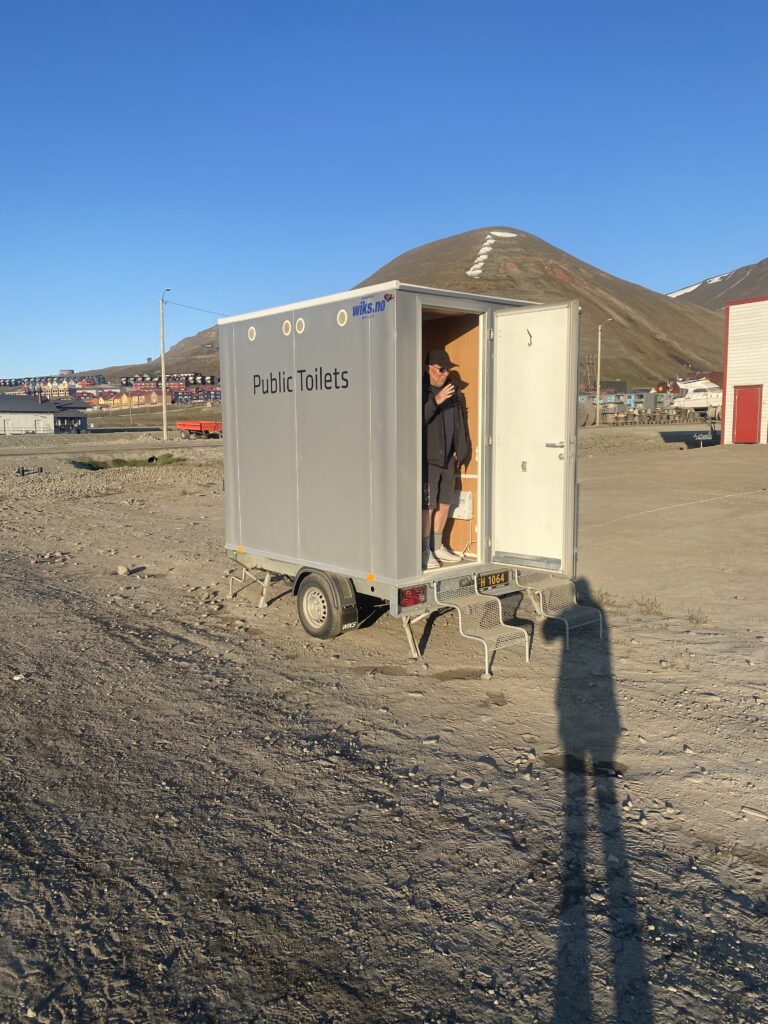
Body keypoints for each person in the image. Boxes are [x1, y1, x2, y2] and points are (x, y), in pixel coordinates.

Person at [422, 348, 471, 570]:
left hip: (448, 460)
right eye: (441, 369)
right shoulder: (423, 392)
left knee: (444, 503)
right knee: (428, 505)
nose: (444, 374)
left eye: (447, 370)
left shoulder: (454, 393)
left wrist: (460, 450)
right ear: (428, 368)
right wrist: (436, 400)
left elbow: (460, 423)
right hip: (429, 459)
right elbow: (418, 419)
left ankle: (438, 546)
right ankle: (424, 550)